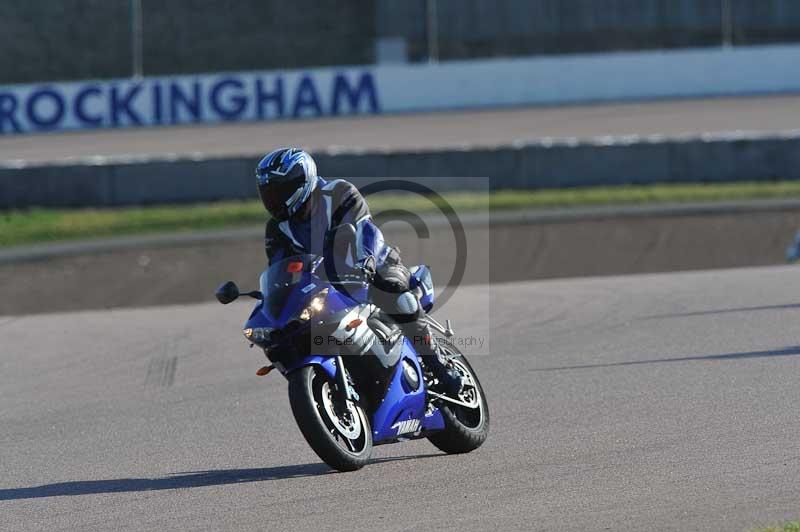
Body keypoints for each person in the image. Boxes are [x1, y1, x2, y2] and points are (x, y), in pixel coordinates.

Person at [256, 147, 462, 395]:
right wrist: (275, 296)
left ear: (302, 181)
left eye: (280, 191)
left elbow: (366, 229)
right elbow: (282, 267)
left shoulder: (338, 193)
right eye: (268, 193)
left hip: (373, 264)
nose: (274, 199)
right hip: (325, 286)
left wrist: (366, 262)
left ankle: (438, 367)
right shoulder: (277, 229)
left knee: (394, 292)